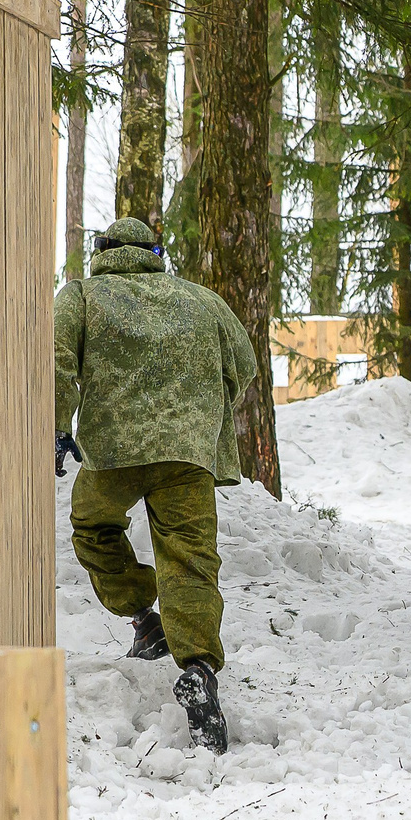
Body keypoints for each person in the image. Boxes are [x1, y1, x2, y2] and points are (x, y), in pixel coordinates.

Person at [53, 217, 258, 752]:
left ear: (103, 252)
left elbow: (54, 363)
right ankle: (199, 674)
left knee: (92, 527)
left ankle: (145, 618)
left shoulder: (80, 297)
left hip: (113, 455)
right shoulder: (202, 300)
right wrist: (199, 415)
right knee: (189, 558)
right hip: (185, 457)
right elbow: (245, 364)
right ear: (154, 252)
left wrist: (55, 427)